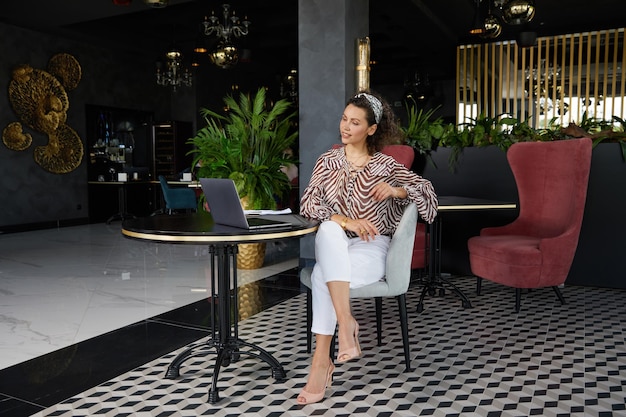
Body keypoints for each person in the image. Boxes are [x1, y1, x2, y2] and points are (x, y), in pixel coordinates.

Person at [297, 90, 438, 404]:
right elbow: (308, 204)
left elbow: (427, 194)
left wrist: (397, 191)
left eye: (355, 122)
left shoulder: (385, 166)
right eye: (345, 119)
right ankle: (345, 325)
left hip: (371, 247)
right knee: (330, 229)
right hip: (337, 243)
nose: (345, 127)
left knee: (322, 277)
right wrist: (345, 220)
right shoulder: (327, 161)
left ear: (371, 129)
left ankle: (322, 361)